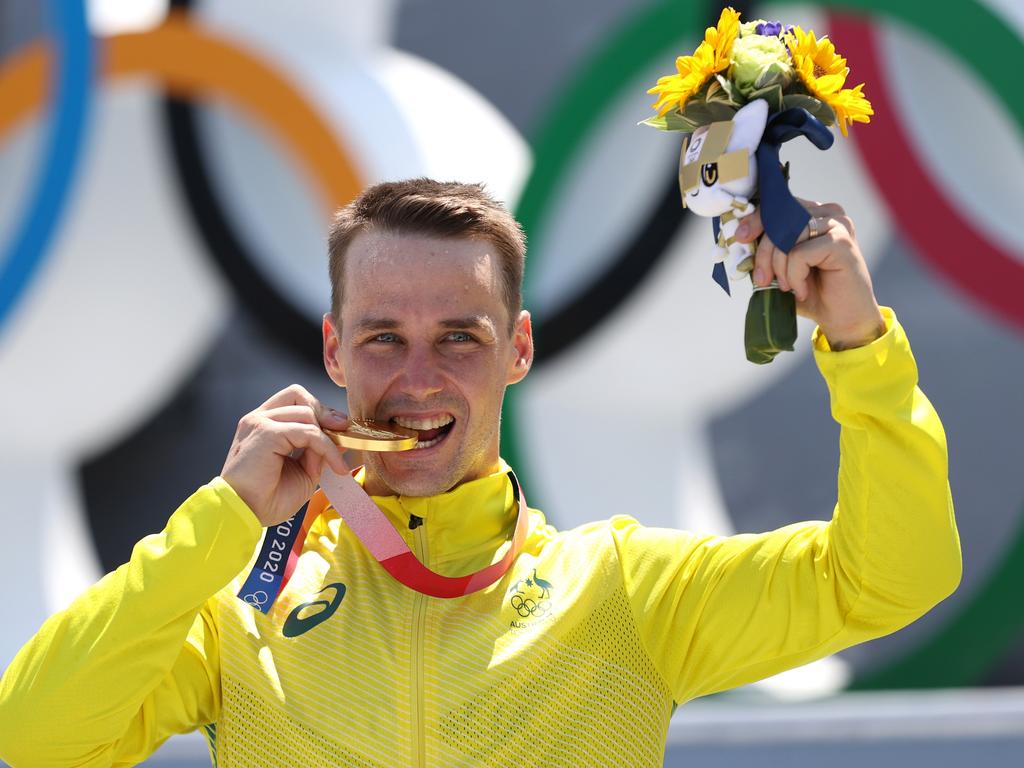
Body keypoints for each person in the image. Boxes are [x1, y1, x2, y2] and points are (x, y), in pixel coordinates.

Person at [0, 179, 960, 767]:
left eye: (460, 336)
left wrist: (861, 345)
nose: (418, 378)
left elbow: (893, 579)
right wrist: (220, 518)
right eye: (385, 338)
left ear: (519, 351)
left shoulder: (622, 590)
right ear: (333, 350)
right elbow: (33, 739)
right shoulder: (242, 596)